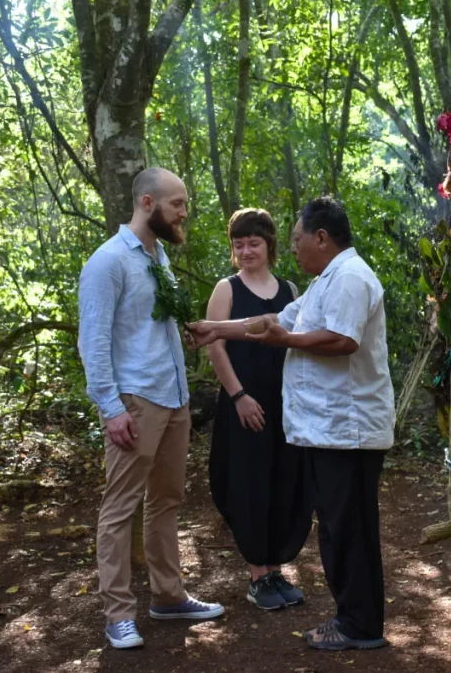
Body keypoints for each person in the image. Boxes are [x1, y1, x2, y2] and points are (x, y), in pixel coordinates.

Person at [188, 195, 395, 651]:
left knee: (350, 528)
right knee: (341, 527)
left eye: (298, 239)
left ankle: (359, 624)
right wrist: (216, 328)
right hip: (329, 431)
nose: (295, 248)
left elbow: (342, 340)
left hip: (349, 430)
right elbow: (272, 320)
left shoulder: (350, 278)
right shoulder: (325, 281)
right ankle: (354, 618)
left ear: (322, 237)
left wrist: (289, 339)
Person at [78, 167, 224, 650]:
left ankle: (168, 596)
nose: (185, 211)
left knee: (167, 500)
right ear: (147, 203)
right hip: (136, 402)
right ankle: (118, 614)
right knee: (119, 508)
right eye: (177, 203)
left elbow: (145, 326)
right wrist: (111, 407)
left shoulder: (158, 256)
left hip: (175, 395)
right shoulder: (108, 262)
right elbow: (93, 341)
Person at [205, 208, 311, 610]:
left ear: (269, 245)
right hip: (243, 404)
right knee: (249, 486)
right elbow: (215, 346)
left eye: (254, 243)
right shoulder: (226, 289)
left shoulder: (289, 289)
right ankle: (257, 576)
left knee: (284, 483)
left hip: (285, 406)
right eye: (239, 244)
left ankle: (275, 570)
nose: (246, 251)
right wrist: (238, 396)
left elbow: (299, 342)